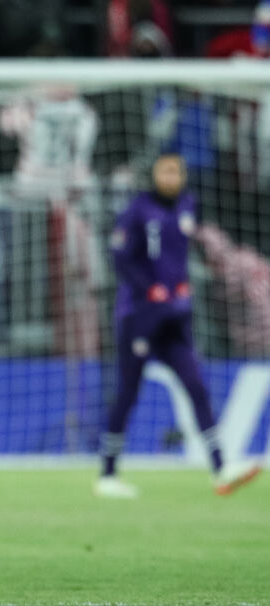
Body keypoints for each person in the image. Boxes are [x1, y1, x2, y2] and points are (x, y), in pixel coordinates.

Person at [97, 153, 262, 499]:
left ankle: (221, 467)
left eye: (177, 171)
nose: (171, 177)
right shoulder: (137, 210)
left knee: (196, 387)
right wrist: (149, 288)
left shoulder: (189, 205)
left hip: (176, 316)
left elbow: (183, 253)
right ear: (154, 175)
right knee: (128, 393)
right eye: (165, 171)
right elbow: (119, 256)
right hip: (139, 316)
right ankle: (107, 475)